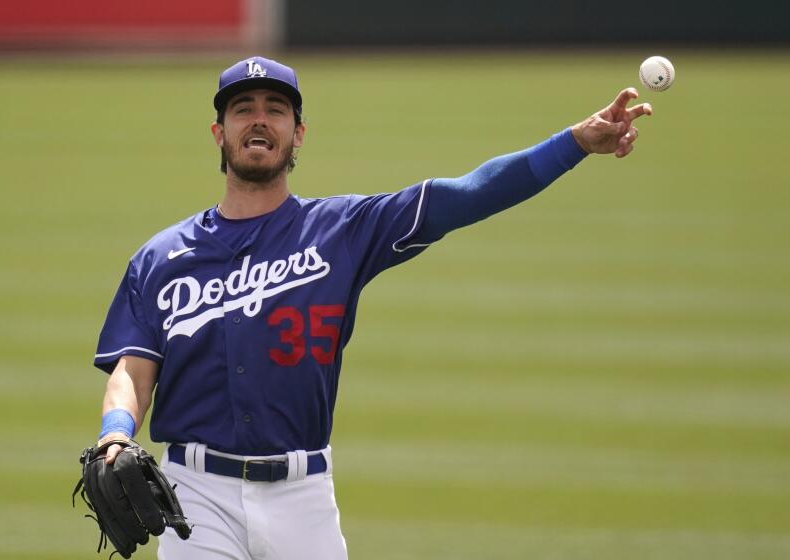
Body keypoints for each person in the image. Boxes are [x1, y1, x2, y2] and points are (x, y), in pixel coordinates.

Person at [92, 55, 652, 559]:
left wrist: (574, 142)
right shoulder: (162, 256)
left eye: (276, 110)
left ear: (299, 133)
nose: (259, 119)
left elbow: (468, 194)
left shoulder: (344, 229)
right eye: (243, 109)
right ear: (220, 131)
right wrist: (116, 432)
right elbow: (133, 369)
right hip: (198, 497)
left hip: (302, 496)